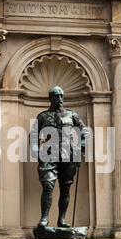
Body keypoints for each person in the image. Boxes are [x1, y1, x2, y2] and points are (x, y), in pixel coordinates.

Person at [30, 86, 89, 228]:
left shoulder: (71, 114)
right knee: (48, 185)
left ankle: (61, 219)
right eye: (56, 96)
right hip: (49, 155)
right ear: (50, 98)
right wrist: (36, 151)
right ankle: (44, 219)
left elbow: (85, 132)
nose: (60, 99)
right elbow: (33, 136)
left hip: (68, 155)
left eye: (62, 96)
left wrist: (81, 145)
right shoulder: (42, 116)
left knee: (65, 188)